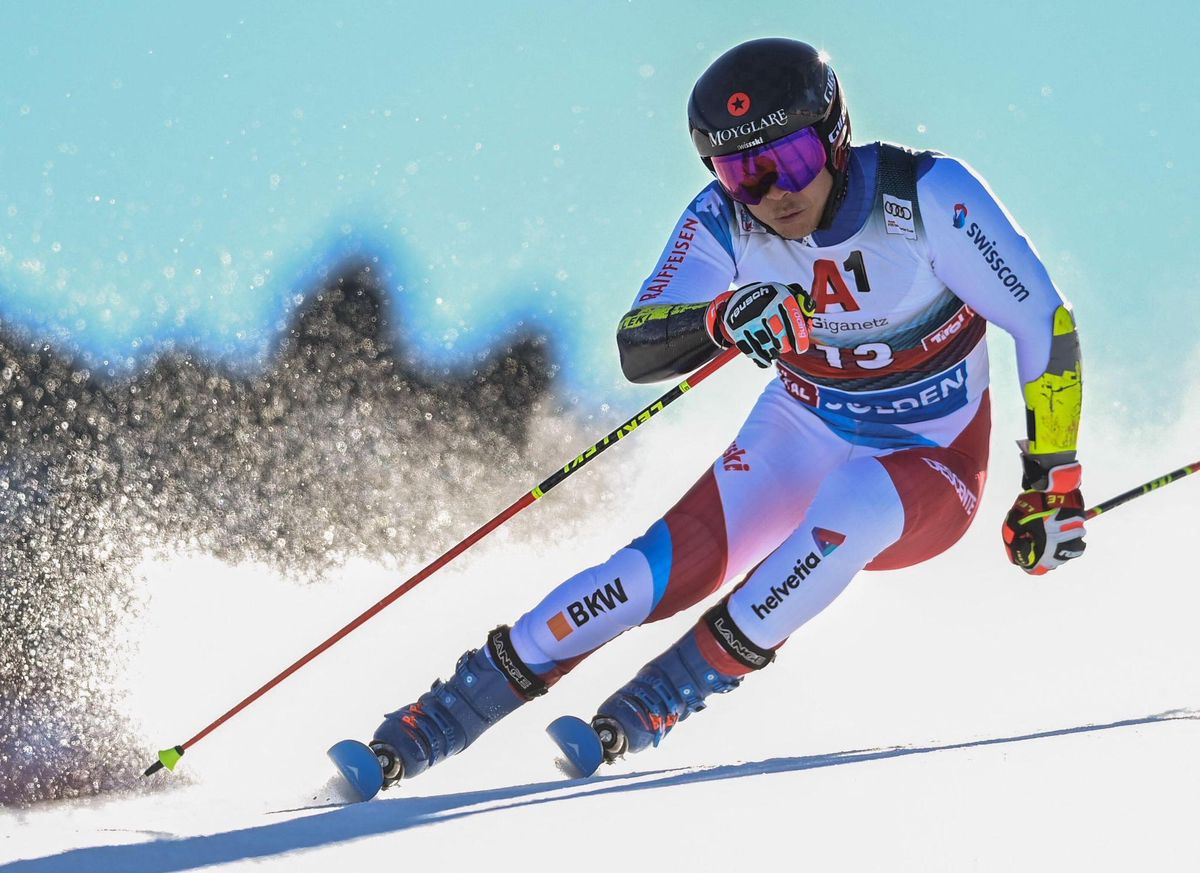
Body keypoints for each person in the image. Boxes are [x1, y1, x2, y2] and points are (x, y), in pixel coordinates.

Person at [365, 37, 1086, 786]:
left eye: (794, 158)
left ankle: (656, 700)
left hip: (931, 456)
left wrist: (1052, 480)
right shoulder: (723, 221)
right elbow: (638, 345)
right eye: (745, 171)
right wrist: (719, 316)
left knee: (852, 509)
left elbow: (1045, 323)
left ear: (836, 134)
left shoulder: (927, 197)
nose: (775, 190)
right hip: (804, 426)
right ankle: (432, 723)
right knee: (646, 576)